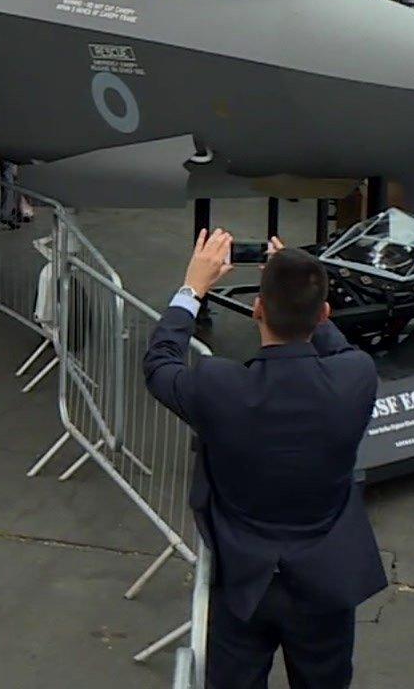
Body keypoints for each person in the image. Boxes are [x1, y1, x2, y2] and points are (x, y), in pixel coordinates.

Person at [144, 231, 386, 689]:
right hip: (326, 576)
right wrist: (301, 290)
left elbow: (160, 365)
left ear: (257, 310)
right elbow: (336, 346)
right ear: (325, 315)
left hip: (244, 578)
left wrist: (191, 290)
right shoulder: (356, 376)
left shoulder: (219, 385)